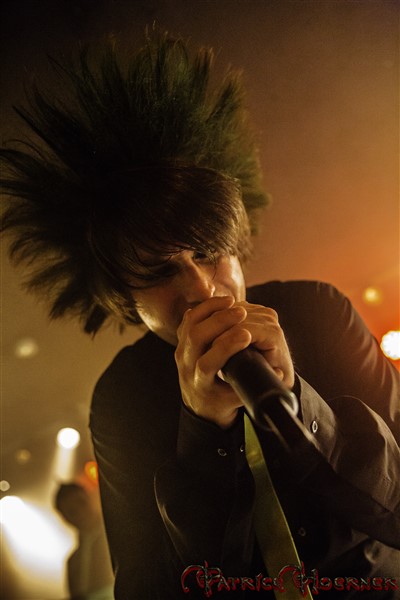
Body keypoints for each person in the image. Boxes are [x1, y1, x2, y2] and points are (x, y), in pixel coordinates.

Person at [1, 30, 399, 599]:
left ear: (237, 245)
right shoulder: (123, 397)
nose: (200, 288)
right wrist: (205, 435)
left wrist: (300, 403)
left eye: (210, 251)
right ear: (126, 299)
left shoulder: (319, 310)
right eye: (160, 271)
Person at [54, 483, 114, 600]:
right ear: (65, 518)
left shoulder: (114, 538)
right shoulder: (72, 562)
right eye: (72, 511)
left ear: (90, 498)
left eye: (82, 503)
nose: (81, 512)